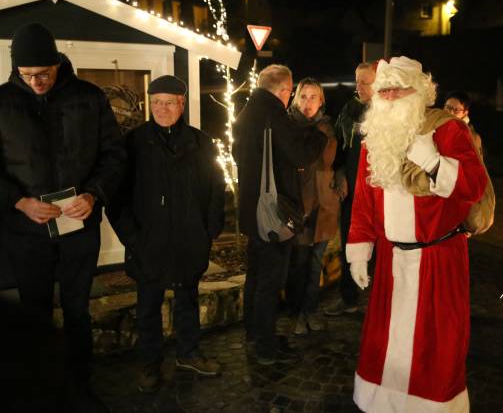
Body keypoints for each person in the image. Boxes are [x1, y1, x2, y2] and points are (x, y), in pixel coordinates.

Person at [346, 56, 488, 412]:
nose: (391, 96)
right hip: (393, 262)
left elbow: (474, 186)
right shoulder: (374, 138)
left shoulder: (447, 131)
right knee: (386, 342)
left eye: (400, 88)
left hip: (438, 259)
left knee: (434, 346)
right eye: (385, 89)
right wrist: (360, 249)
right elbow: (364, 202)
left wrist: (436, 162)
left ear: (420, 92)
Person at [0, 23, 126, 412]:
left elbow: (115, 155)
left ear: (58, 64)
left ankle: (78, 386)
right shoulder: (1, 102)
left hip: (78, 227)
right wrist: (19, 202)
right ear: (15, 70)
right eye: (28, 76)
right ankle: (39, 392)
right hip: (26, 230)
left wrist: (95, 193)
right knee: (34, 313)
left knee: (77, 310)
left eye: (45, 73)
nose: (37, 82)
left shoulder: (90, 97)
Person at [106, 75, 226, 392]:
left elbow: (216, 187)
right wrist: (133, 238)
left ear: (181, 104)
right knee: (148, 307)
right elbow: (116, 198)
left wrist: (210, 230)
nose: (162, 108)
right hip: (149, 242)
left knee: (188, 299)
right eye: (156, 102)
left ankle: (188, 353)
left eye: (169, 102)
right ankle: (149, 364)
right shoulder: (132, 144)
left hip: (189, 239)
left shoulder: (201, 142)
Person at [232, 65, 328, 365]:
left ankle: (254, 334)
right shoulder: (274, 114)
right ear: (284, 90)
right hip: (272, 213)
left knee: (256, 275)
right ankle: (264, 345)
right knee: (270, 280)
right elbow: (300, 154)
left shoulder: (247, 112)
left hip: (251, 209)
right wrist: (318, 136)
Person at [285, 78, 339, 335]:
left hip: (325, 204)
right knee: (298, 264)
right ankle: (295, 314)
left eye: (313, 97)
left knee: (316, 264)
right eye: (303, 96)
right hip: (299, 206)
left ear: (321, 101)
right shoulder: (289, 126)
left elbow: (337, 162)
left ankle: (310, 310)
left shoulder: (327, 127)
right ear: (296, 98)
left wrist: (340, 185)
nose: (308, 102)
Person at [324, 61, 377, 316]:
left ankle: (381, 301)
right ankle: (349, 296)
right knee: (350, 241)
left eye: (365, 81)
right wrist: (340, 171)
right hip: (354, 194)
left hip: (381, 195)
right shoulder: (351, 109)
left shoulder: (390, 111)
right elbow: (340, 148)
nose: (359, 87)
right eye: (357, 80)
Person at [444, 90, 483, 157]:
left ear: (465, 113)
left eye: (456, 110)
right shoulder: (437, 123)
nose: (450, 113)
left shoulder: (472, 138)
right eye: (448, 107)